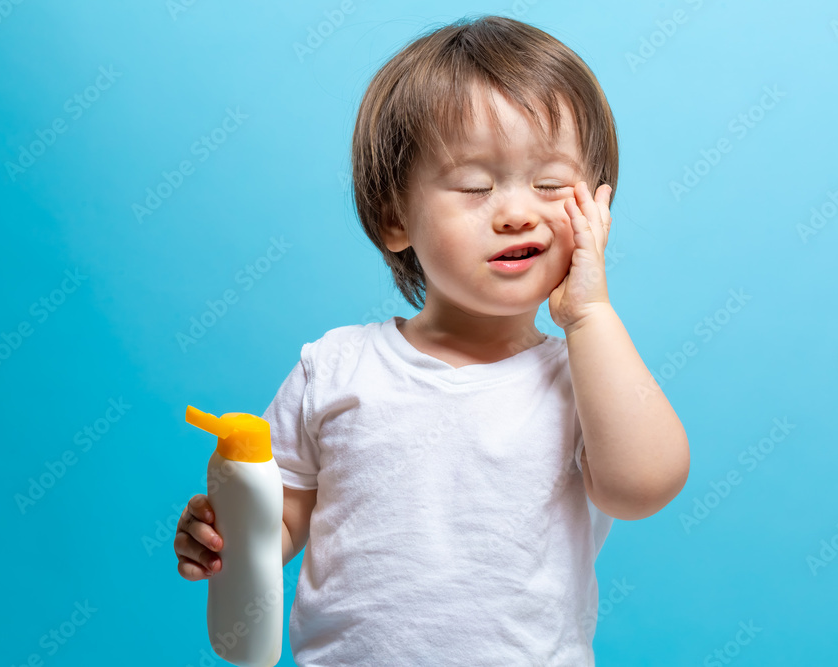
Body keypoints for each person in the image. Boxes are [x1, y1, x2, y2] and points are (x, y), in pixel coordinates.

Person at [174, 14, 690, 665]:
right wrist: (228, 535)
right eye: (476, 185)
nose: (516, 211)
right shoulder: (334, 368)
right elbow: (279, 520)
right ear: (395, 216)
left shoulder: (583, 377)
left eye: (551, 184)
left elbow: (645, 483)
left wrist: (590, 317)